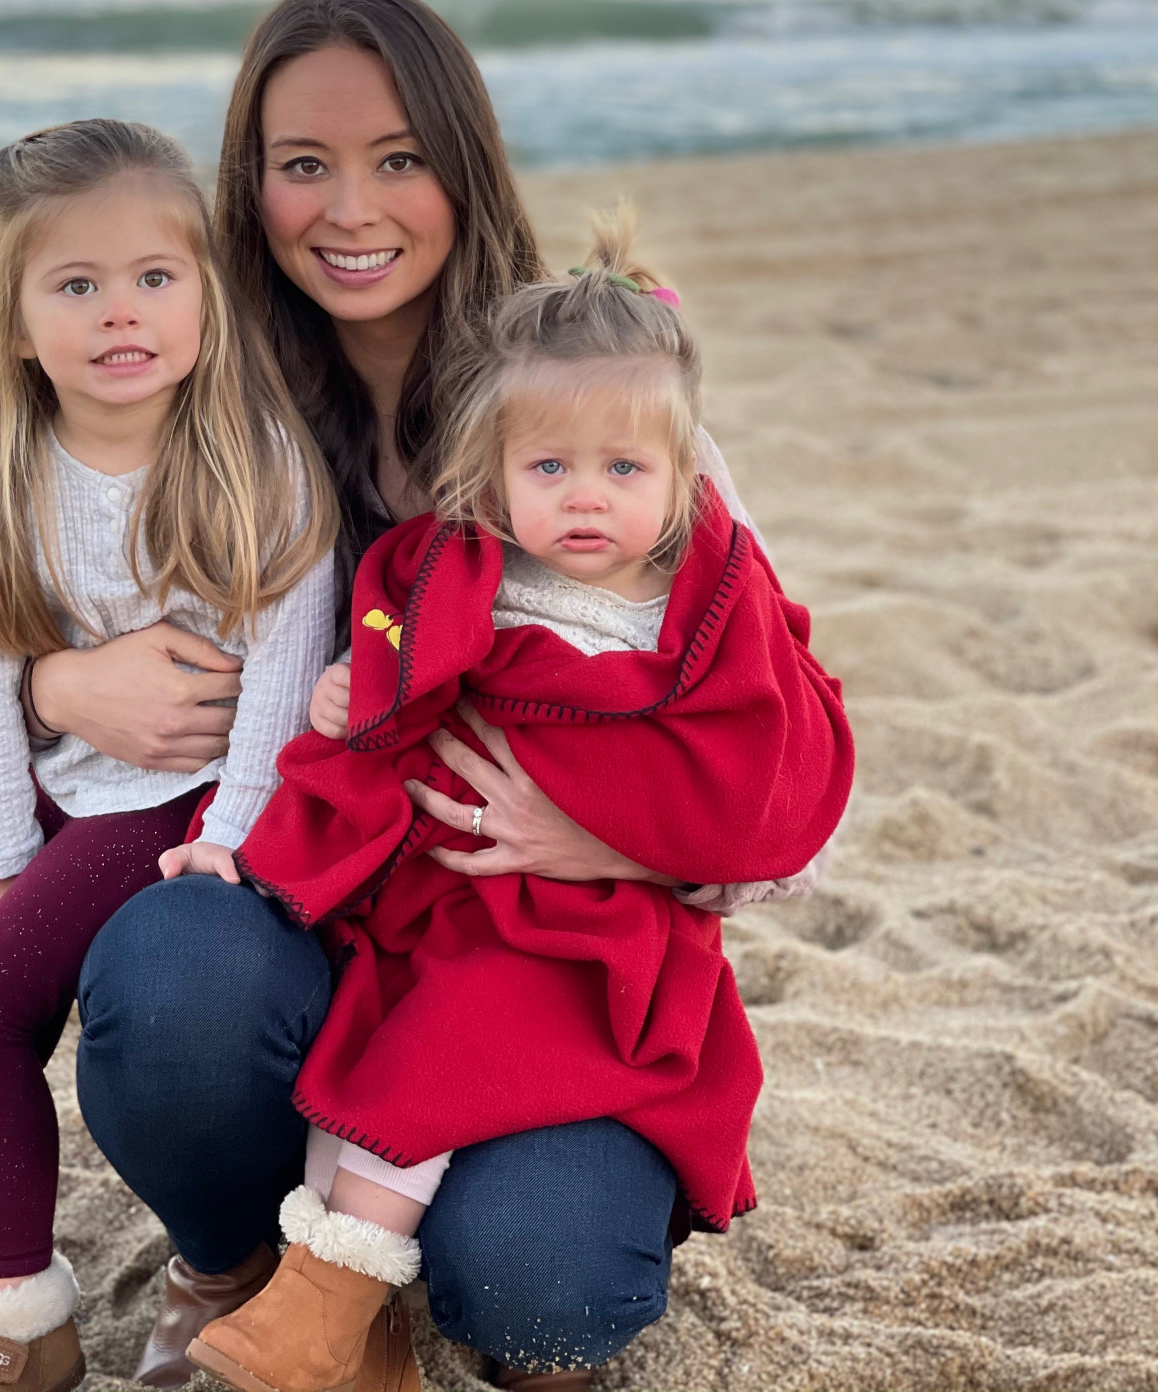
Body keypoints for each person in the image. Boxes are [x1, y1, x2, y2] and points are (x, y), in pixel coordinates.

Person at [41, 0, 798, 1388]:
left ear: (464, 162)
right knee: (171, 983)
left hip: (538, 961)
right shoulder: (201, 398)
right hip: (310, 919)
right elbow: (41, 598)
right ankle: (238, 1265)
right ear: (249, 183)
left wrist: (617, 836)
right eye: (303, 165)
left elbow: (777, 757)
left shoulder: (580, 407)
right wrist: (54, 684)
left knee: (541, 1302)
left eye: (400, 158)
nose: (351, 207)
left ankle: (412, 1267)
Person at [185, 222, 853, 1392]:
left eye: (623, 469)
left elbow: (771, 774)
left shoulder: (705, 607)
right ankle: (332, 1310)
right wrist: (360, 693)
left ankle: (340, 1290)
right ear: (494, 472)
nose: (585, 497)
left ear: (684, 472)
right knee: (384, 1033)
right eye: (549, 469)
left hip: (597, 937)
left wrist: (611, 833)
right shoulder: (467, 569)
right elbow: (398, 682)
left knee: (458, 1044)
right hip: (451, 898)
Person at [0, 120, 337, 1392]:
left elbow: (282, 672)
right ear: (16, 319)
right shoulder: (6, 476)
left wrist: (238, 827)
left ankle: (16, 1317)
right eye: (78, 284)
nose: (122, 312)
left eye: (157, 277)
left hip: (189, 803)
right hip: (67, 795)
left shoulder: (254, 462)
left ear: (209, 298)